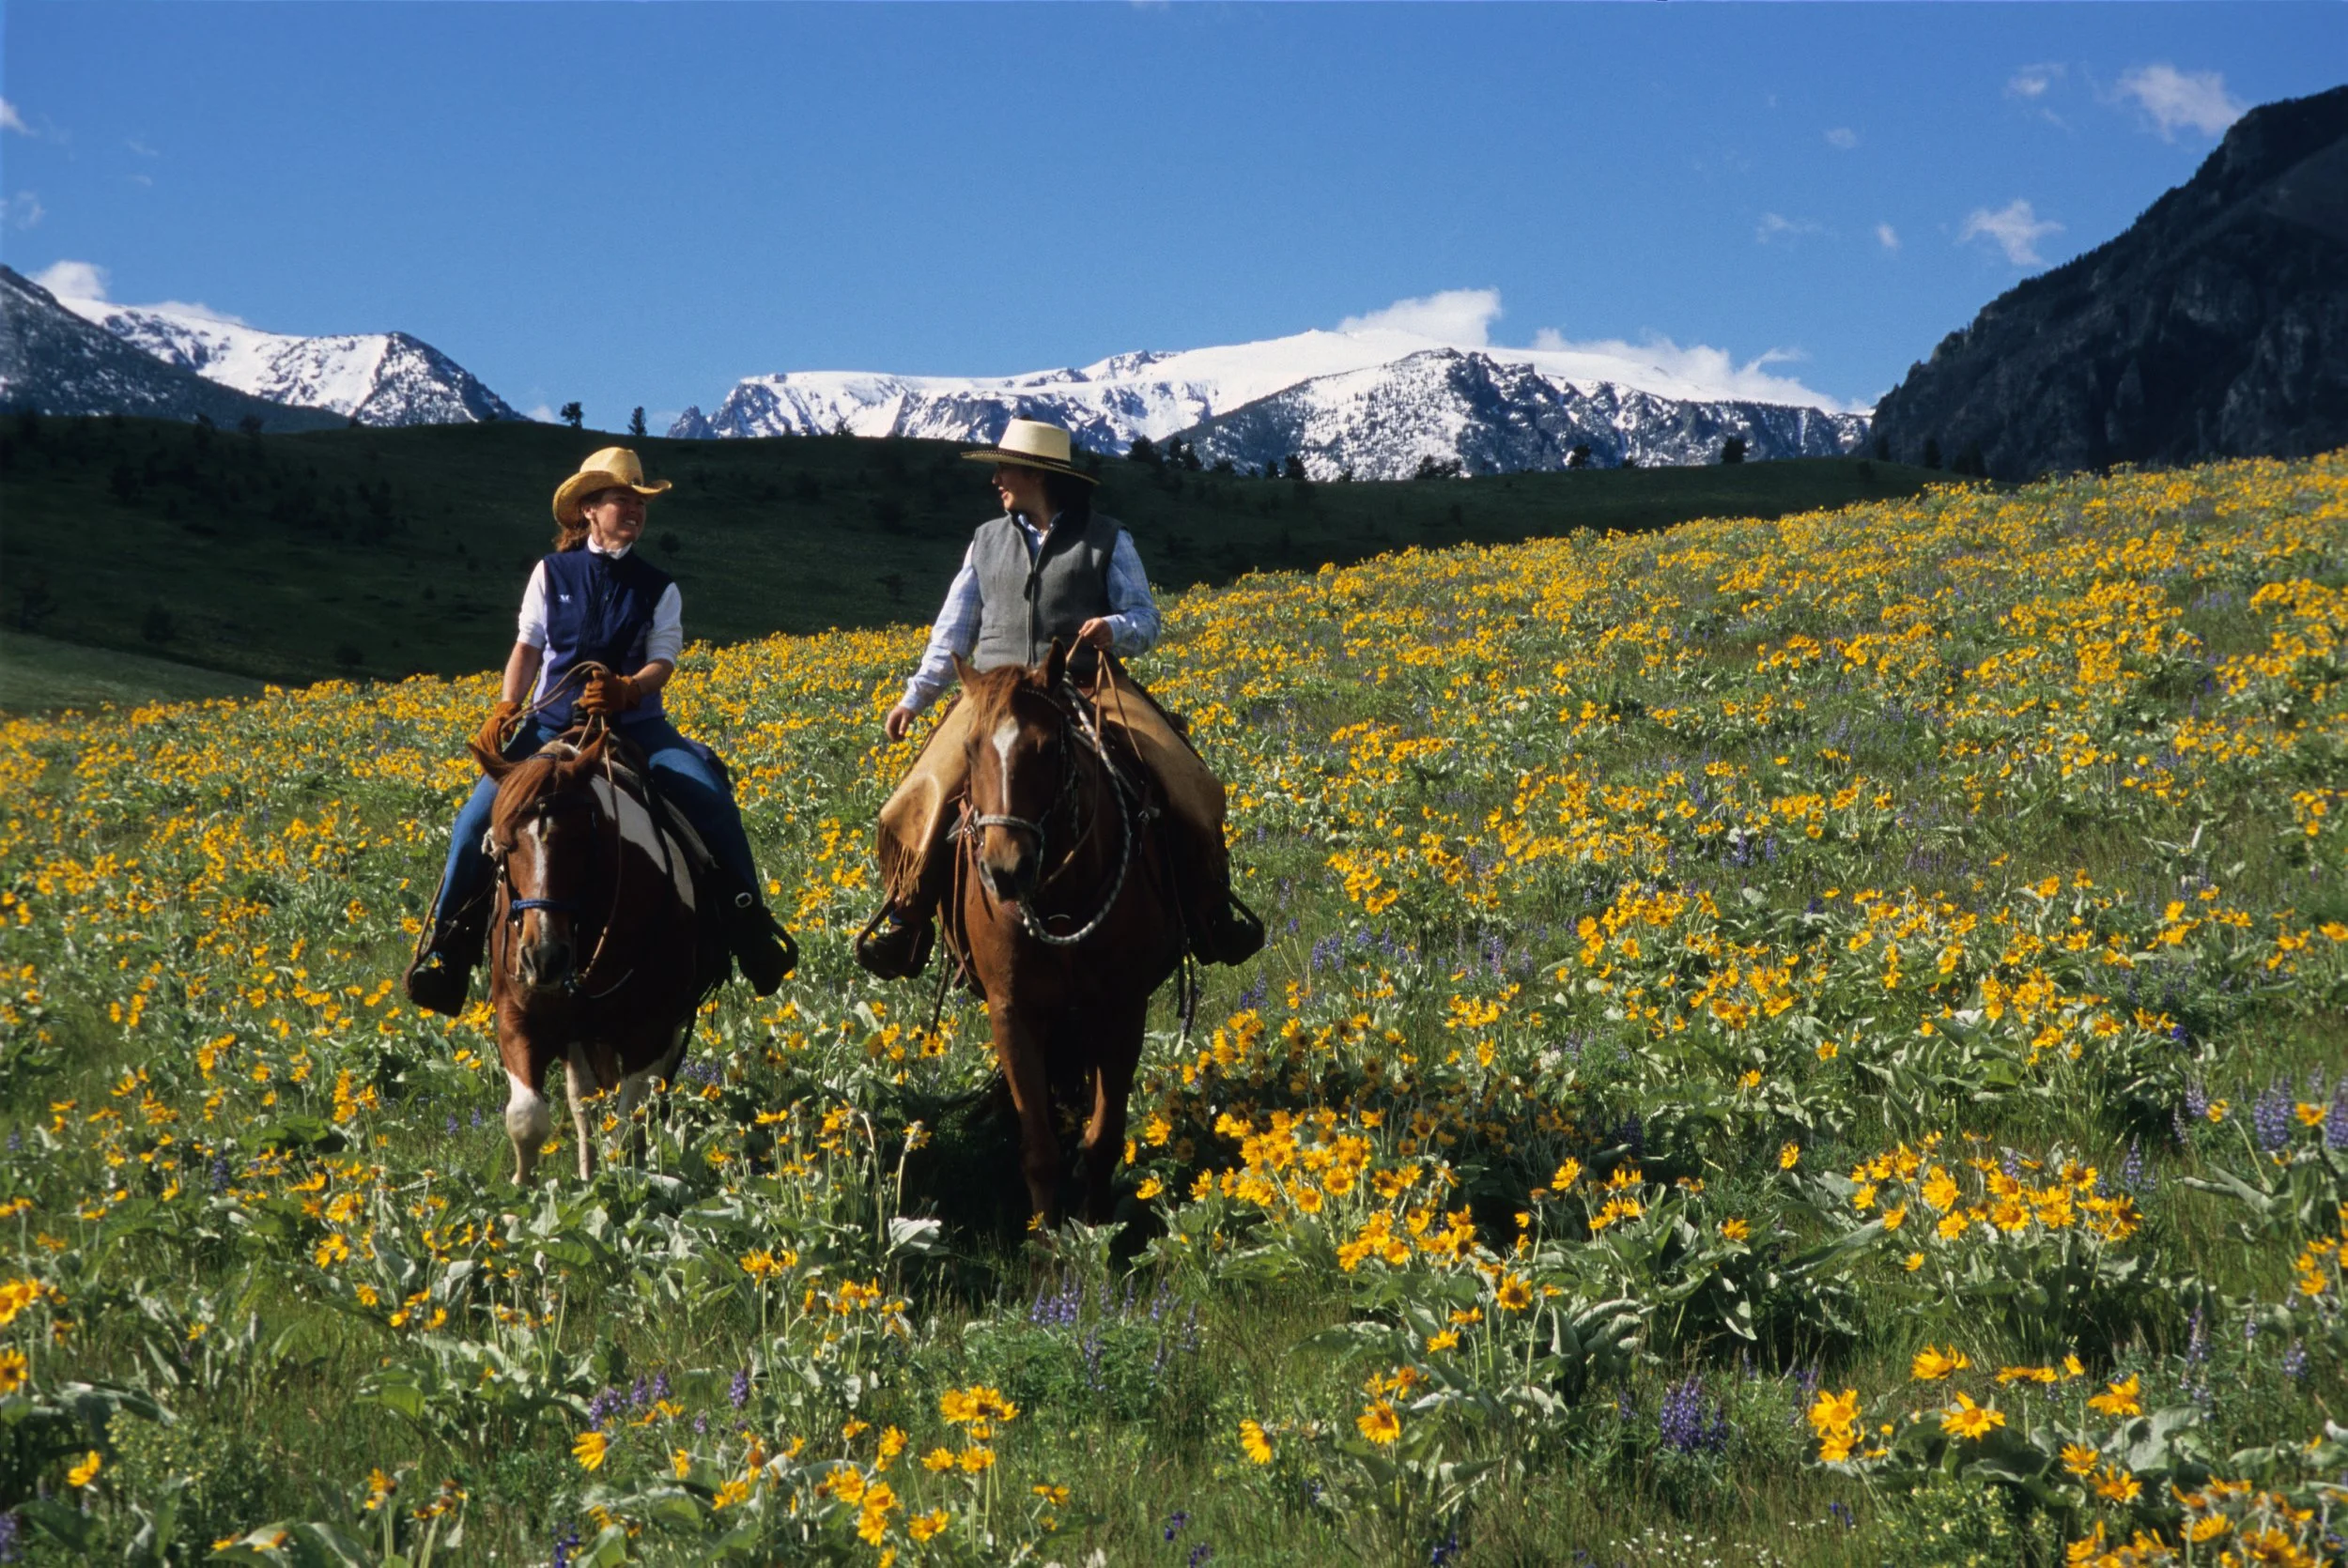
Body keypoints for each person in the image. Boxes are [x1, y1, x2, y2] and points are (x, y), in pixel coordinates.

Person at [855, 418, 1262, 978]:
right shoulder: (985, 540)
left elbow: (1147, 619)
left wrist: (1113, 629)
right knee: (923, 791)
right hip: (994, 695)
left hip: (1087, 682)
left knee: (1178, 771)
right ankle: (909, 920)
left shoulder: (1108, 537)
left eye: (1005, 468)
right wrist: (914, 699)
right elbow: (953, 630)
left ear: (1036, 475)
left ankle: (1210, 907)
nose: (996, 478)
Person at [403, 447, 795, 1014]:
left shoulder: (658, 586)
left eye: (640, 503)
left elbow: (664, 660)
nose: (634, 510)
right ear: (588, 509)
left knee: (710, 800)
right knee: (472, 823)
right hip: (550, 728)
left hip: (636, 728)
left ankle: (751, 930)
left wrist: (630, 689)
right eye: (622, 500)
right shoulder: (551, 572)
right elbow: (528, 645)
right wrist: (508, 705)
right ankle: (446, 951)